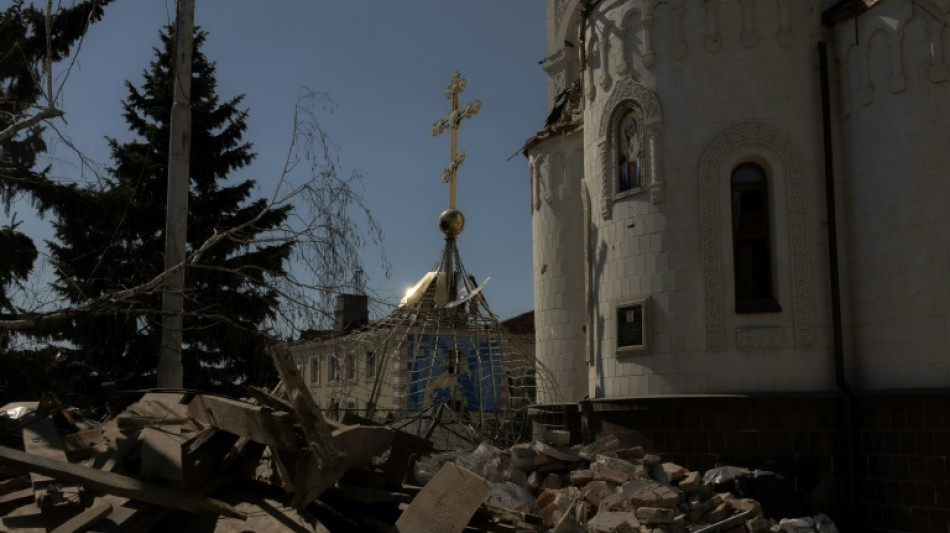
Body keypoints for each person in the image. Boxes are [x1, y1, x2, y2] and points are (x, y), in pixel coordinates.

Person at [619, 115, 643, 191]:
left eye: (631, 126)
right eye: (627, 129)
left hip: (638, 170)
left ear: (635, 126)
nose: (629, 131)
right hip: (629, 173)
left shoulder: (639, 143)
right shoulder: (626, 147)